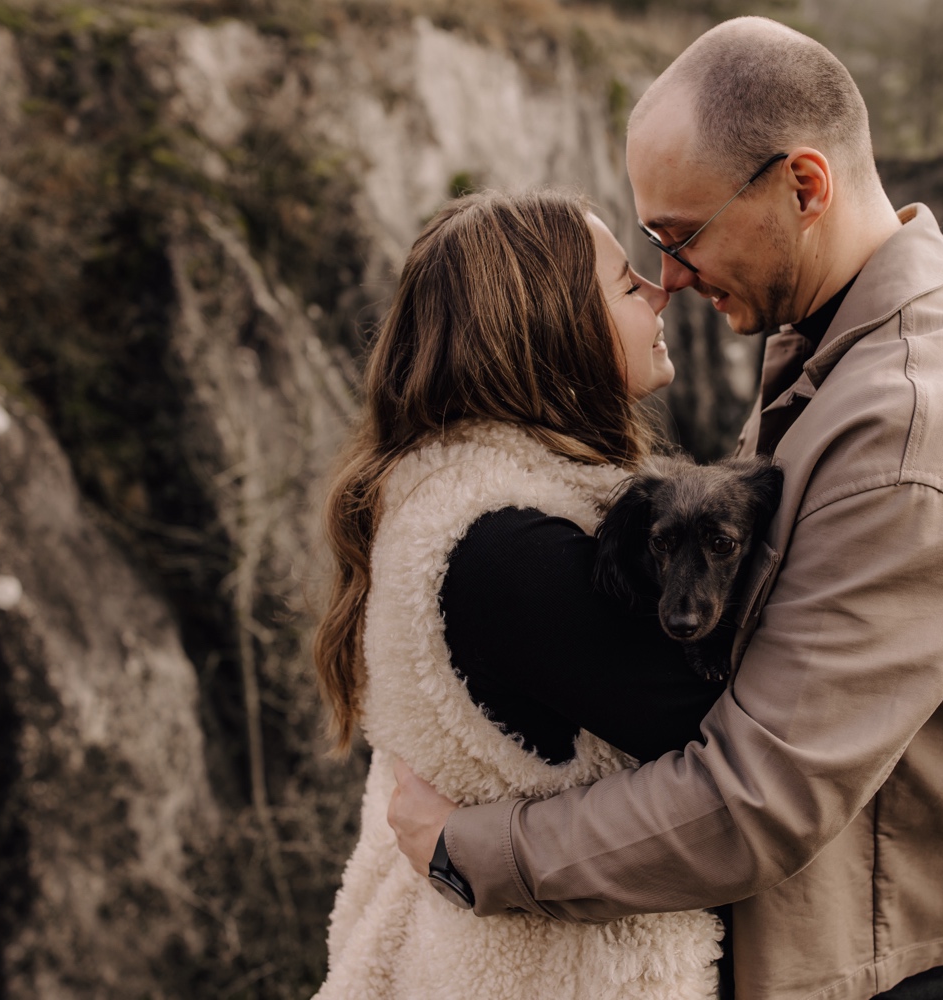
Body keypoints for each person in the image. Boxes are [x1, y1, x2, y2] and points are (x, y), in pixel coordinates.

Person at [386, 16, 943, 1000]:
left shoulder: (912, 434)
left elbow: (758, 799)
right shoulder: (842, 331)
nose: (668, 278)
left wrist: (467, 848)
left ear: (803, 185)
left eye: (681, 235)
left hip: (857, 958)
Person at [311, 189, 735, 998]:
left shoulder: (451, 502)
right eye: (623, 284)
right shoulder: (509, 550)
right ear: (556, 329)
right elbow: (750, 728)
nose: (661, 288)